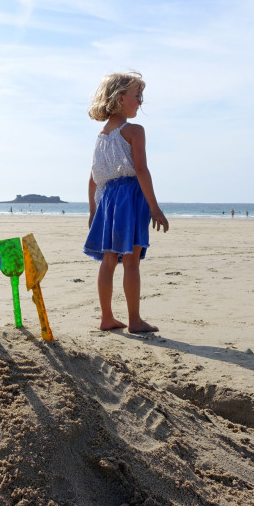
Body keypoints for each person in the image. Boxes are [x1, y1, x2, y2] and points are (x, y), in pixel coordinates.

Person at [83, 71, 169, 333]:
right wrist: (155, 207)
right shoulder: (134, 131)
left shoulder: (101, 136)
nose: (140, 102)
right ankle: (134, 320)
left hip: (108, 200)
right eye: (136, 96)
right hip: (131, 197)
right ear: (120, 98)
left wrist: (93, 210)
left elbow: (93, 179)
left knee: (109, 260)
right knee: (131, 260)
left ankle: (107, 317)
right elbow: (141, 170)